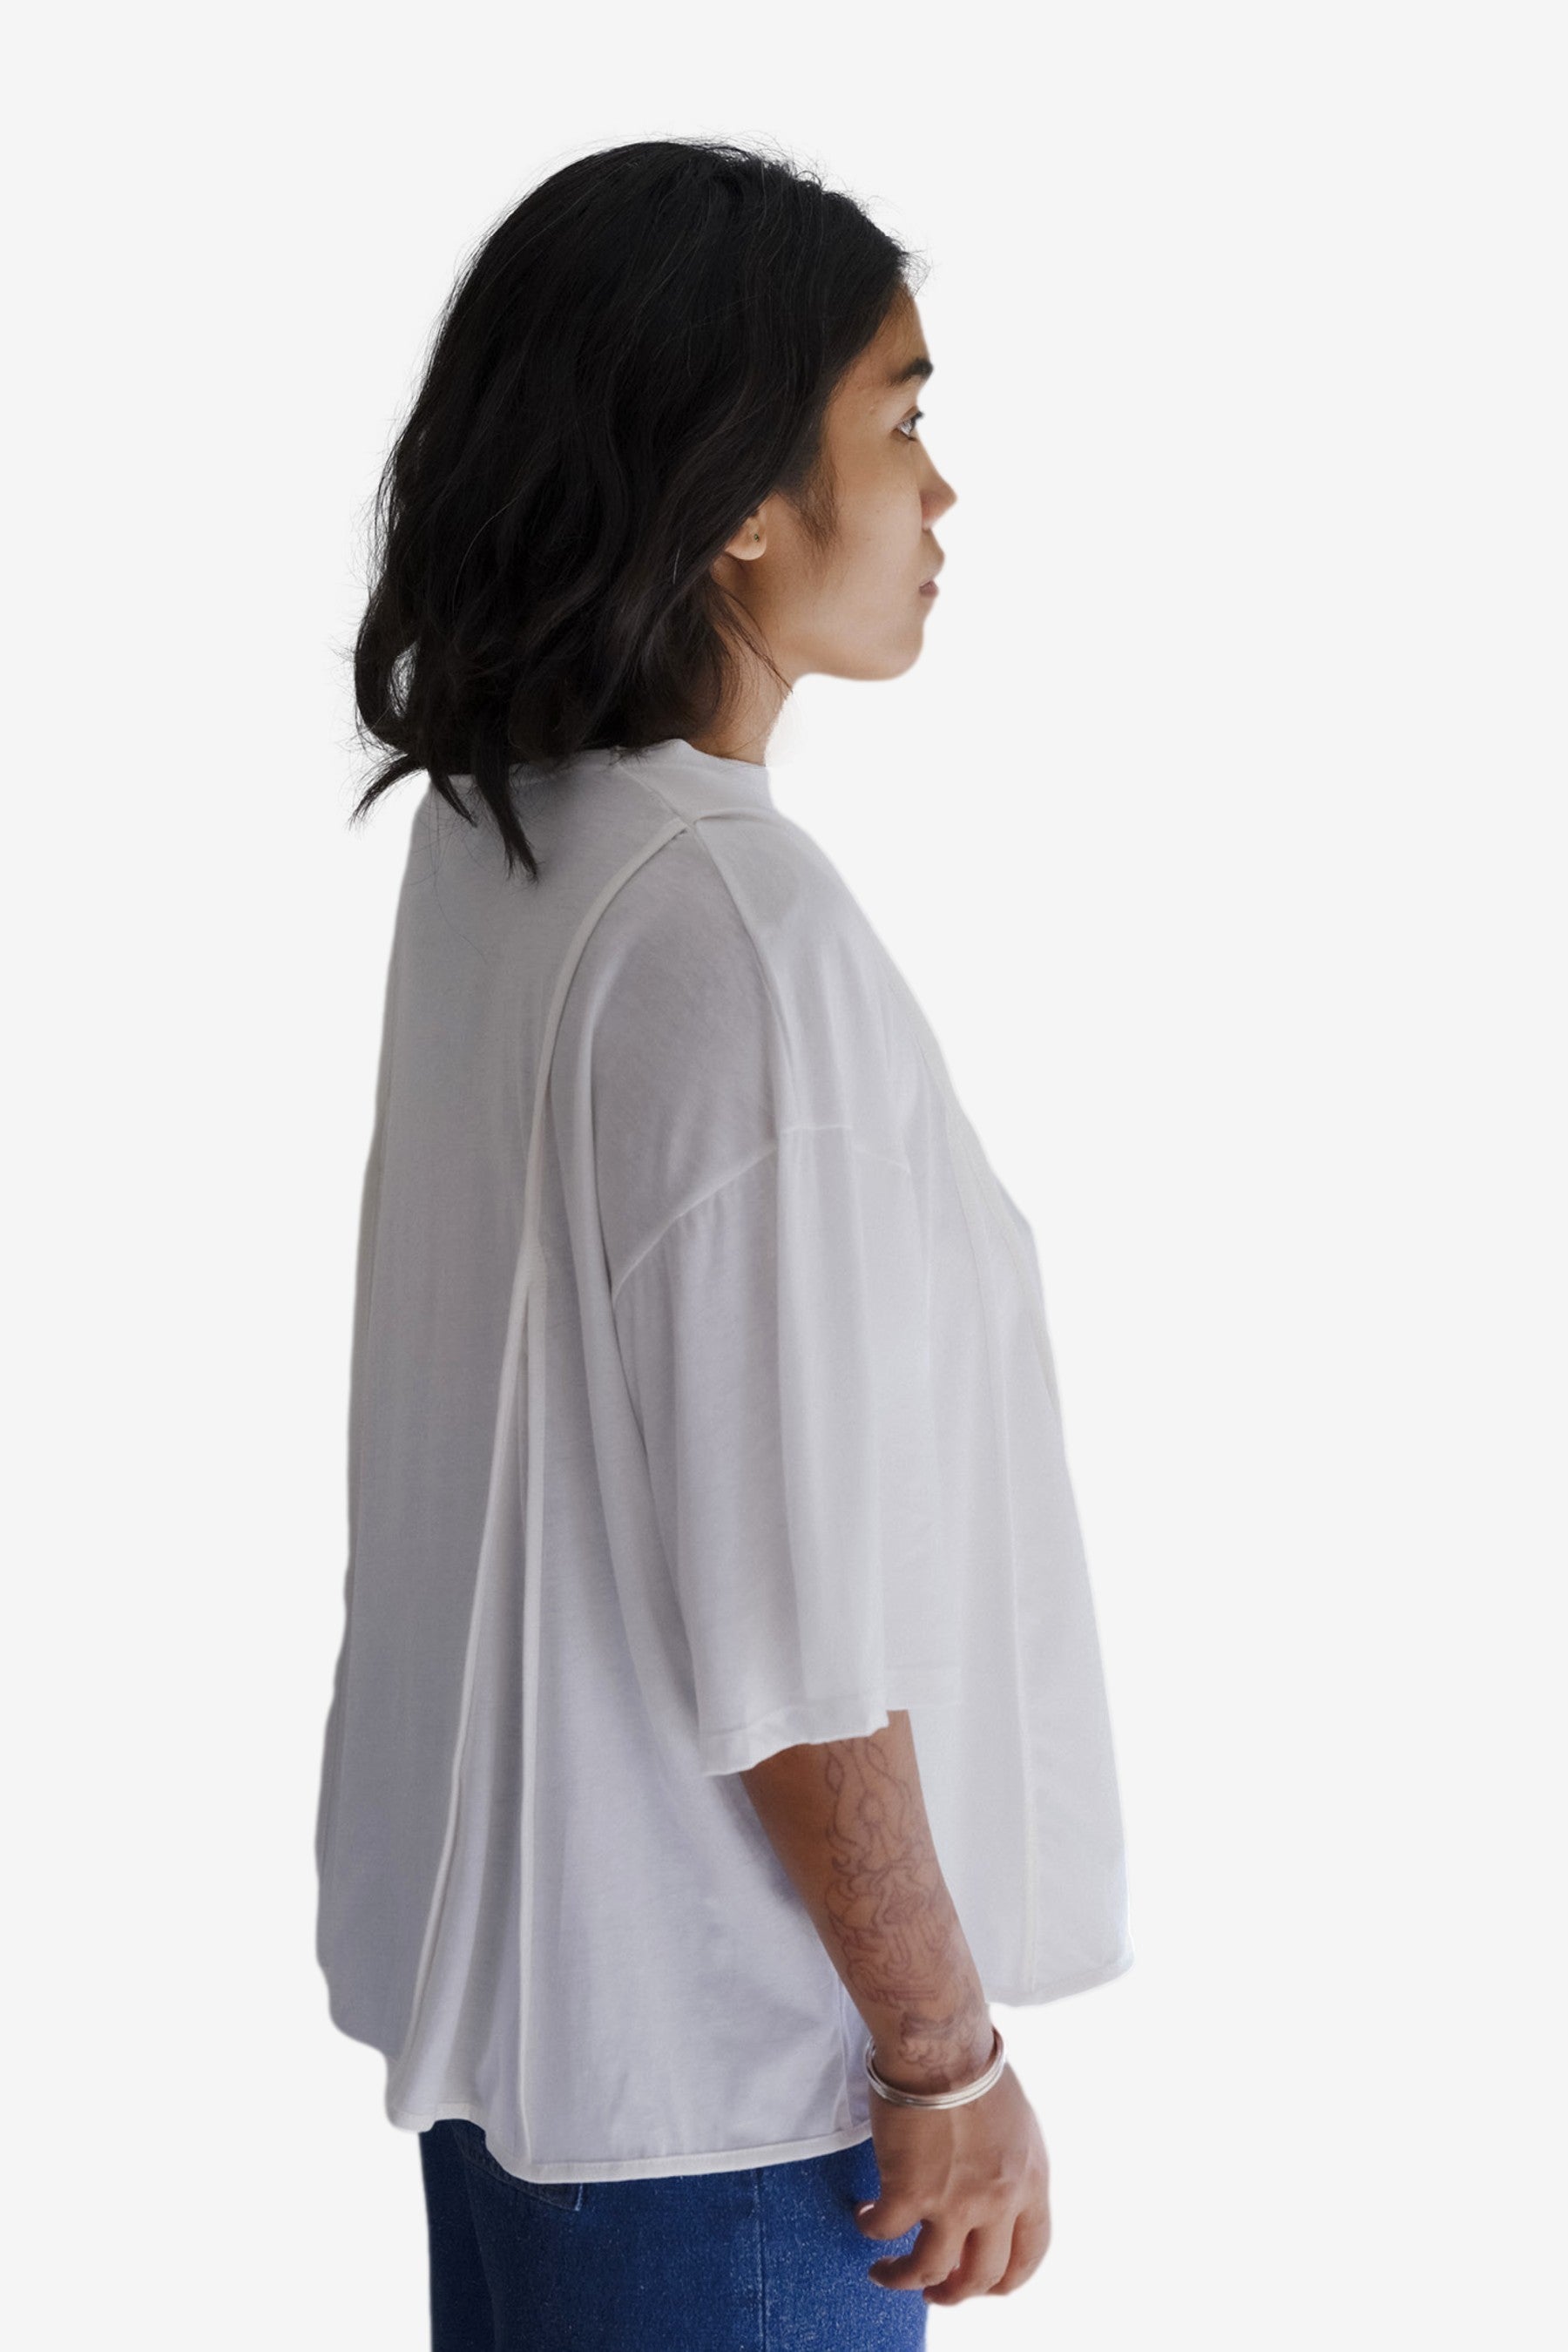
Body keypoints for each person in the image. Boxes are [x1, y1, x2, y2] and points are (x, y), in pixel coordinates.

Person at [314, 136, 1133, 2349]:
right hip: (735, 2101)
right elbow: (786, 1619)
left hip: (540, 2051)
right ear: (741, 494)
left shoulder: (510, 854)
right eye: (902, 417)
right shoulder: (731, 928)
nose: (942, 492)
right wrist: (941, 2055)